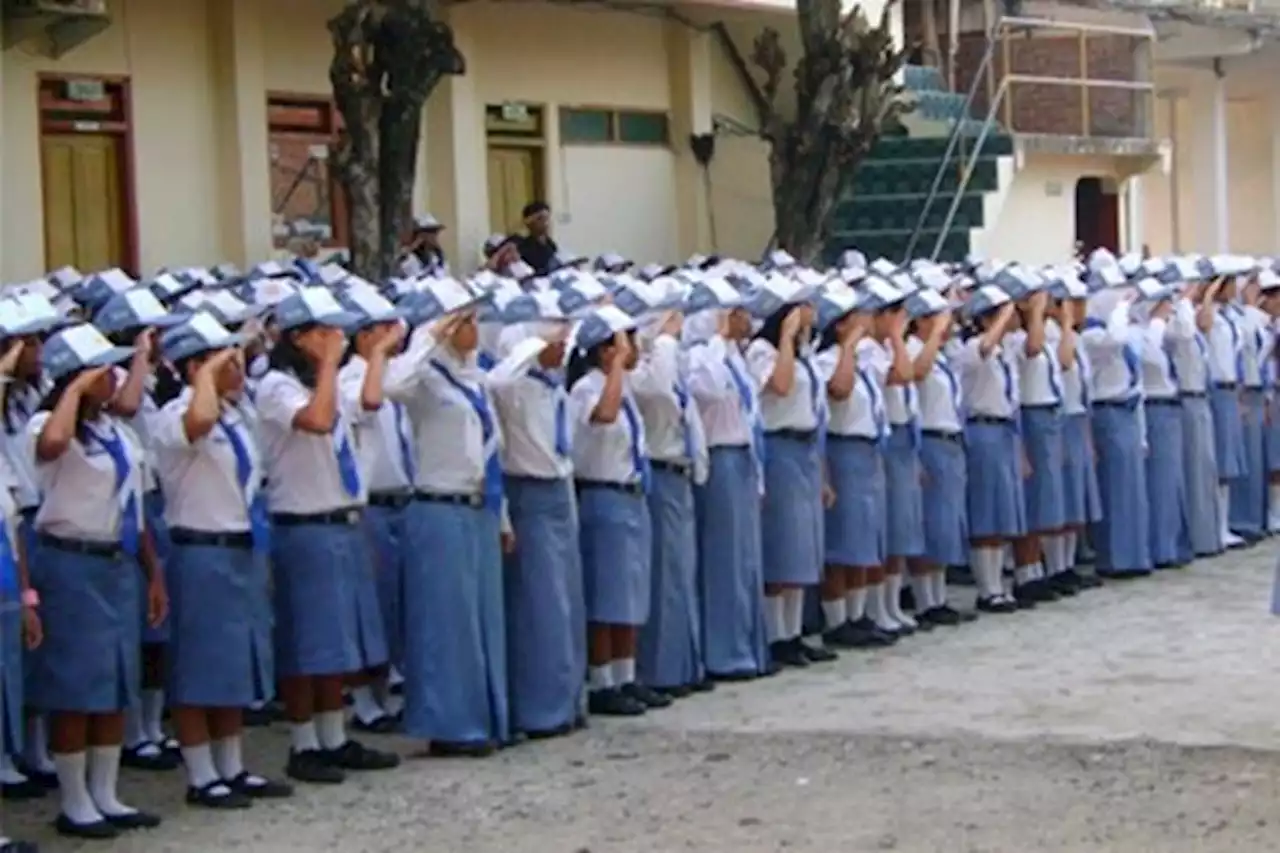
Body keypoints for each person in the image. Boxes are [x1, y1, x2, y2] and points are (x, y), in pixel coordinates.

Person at [25, 323, 167, 839]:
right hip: (69, 562)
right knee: (76, 683)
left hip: (116, 561)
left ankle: (106, 792)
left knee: (115, 681)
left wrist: (153, 574)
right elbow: (52, 445)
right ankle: (74, 799)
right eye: (102, 370)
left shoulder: (119, 433)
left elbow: (136, 507)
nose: (114, 378)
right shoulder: (47, 421)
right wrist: (75, 392)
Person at [254, 287, 400, 784]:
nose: (335, 339)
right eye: (324, 332)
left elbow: (371, 402)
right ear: (299, 338)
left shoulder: (324, 381)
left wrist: (371, 356)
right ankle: (303, 742)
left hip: (340, 518)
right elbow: (316, 421)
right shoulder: (276, 386)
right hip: (303, 522)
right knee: (305, 641)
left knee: (337, 639)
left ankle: (333, 735)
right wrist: (330, 366)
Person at [151, 312, 293, 808]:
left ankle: (231, 765)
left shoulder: (238, 415)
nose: (240, 369)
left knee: (234, 662)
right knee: (198, 666)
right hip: (199, 548)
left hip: (238, 545)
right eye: (227, 363)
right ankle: (200, 773)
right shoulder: (174, 414)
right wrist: (205, 377)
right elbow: (198, 423)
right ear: (197, 369)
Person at [386, 280, 512, 756]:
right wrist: (428, 336)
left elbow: (490, 450)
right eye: (466, 322)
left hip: (478, 506)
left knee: (482, 619)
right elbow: (393, 385)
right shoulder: (425, 379)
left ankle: (486, 716)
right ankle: (451, 725)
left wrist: (504, 519)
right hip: (440, 506)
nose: (474, 331)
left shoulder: (473, 377)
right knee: (447, 623)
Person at [94, 289, 185, 772]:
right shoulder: (118, 382)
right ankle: (134, 731)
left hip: (150, 494)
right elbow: (125, 407)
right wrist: (139, 357)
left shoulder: (156, 380)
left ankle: (150, 725)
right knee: (130, 626)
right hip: (123, 503)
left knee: (156, 625)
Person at [488, 304, 586, 737]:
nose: (561, 350)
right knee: (540, 604)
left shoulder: (553, 387)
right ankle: (540, 707)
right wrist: (532, 343)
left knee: (567, 601)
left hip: (559, 489)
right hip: (528, 491)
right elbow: (499, 378)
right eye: (554, 344)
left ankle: (567, 699)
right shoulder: (513, 387)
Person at [568, 305, 656, 716]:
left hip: (631, 493)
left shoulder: (624, 387)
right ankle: (603, 680)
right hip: (602, 494)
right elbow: (603, 416)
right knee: (606, 593)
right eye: (624, 342)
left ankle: (626, 675)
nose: (633, 349)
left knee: (630, 590)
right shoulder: (588, 387)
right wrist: (618, 367)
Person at [744, 280, 835, 667]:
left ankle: (794, 632)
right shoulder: (763, 350)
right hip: (778, 446)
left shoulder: (805, 353)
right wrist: (784, 338)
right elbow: (779, 386)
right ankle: (777, 635)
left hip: (805, 446)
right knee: (783, 545)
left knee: (802, 547)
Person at [336, 285, 412, 734]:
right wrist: (380, 357)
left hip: (403, 499)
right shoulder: (351, 377)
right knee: (373, 606)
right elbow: (367, 403)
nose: (395, 335)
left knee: (398, 604)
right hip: (372, 504)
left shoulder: (393, 373)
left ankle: (387, 692)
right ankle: (365, 699)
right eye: (384, 329)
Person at [684, 295, 773, 679]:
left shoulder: (737, 356)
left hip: (742, 455)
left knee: (746, 557)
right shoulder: (702, 358)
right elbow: (714, 392)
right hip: (719, 456)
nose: (745, 320)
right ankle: (725, 652)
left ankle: (748, 645)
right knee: (726, 558)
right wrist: (718, 339)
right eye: (735, 313)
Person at [811, 283, 898, 648]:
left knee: (865, 537)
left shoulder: (864, 360)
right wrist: (847, 347)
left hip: (867, 449)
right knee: (843, 539)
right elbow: (839, 390)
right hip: (842, 449)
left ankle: (859, 613)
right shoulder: (829, 358)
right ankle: (837, 619)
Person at [632, 306, 708, 698]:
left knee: (680, 574)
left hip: (679, 473)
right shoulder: (641, 375)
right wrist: (662, 339)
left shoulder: (668, 370)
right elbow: (661, 393)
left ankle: (683, 664)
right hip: (659, 473)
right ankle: (662, 670)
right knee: (664, 577)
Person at [905, 286, 973, 624]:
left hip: (950, 437)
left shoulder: (944, 354)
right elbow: (917, 373)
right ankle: (924, 600)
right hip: (929, 438)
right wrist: (933, 337)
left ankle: (939, 595)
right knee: (930, 521)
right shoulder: (914, 348)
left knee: (947, 521)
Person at [954, 285, 1022, 612]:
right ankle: (987, 588)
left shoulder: (1004, 351)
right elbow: (983, 347)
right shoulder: (970, 348)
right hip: (982, 428)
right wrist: (1003, 313)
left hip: (1004, 429)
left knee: (1000, 510)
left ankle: (998, 583)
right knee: (985, 511)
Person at [1081, 278, 1152, 579]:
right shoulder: (1093, 336)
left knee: (1132, 489)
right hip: (1107, 410)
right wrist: (1121, 306)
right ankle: (1116, 557)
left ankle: (1135, 554)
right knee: (1116, 488)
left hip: (1127, 409)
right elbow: (1117, 338)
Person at [514, 201, 559, 277]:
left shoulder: (550, 244)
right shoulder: (523, 247)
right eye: (540, 219)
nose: (545, 223)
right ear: (529, 222)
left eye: (547, 218)